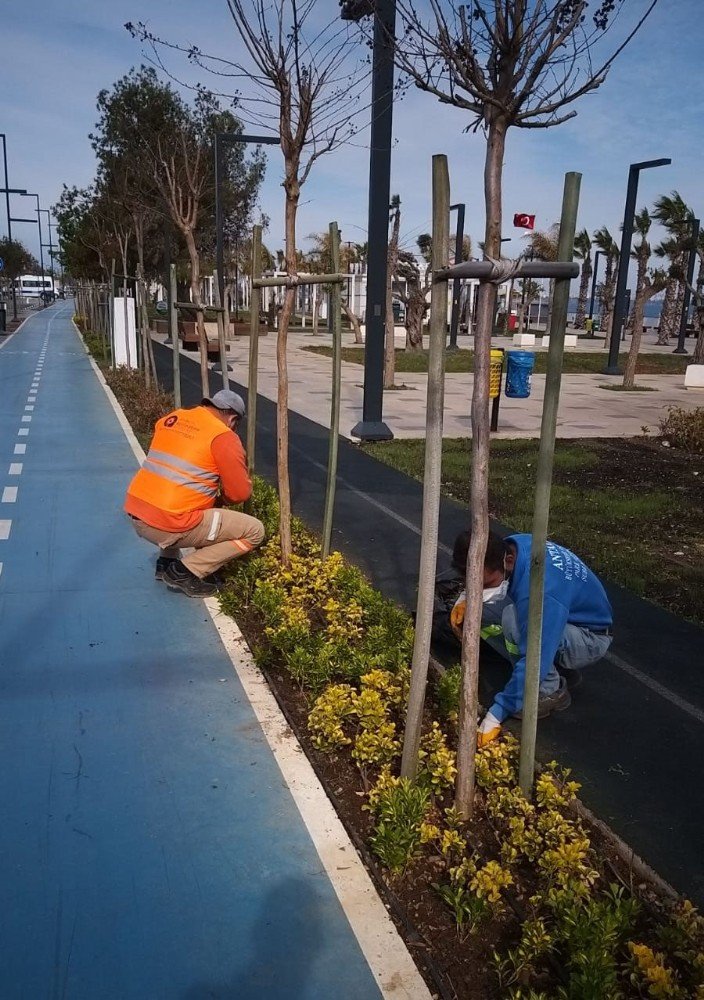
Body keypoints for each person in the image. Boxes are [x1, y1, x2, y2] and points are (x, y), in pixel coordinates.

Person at [446, 529, 613, 747]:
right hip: (566, 619)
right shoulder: (515, 546)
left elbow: (535, 657)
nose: (481, 590)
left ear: (508, 560)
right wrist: (466, 596)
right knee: (488, 613)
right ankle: (554, 665)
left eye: (486, 583)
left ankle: (550, 690)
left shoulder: (541, 592)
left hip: (590, 638)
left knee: (512, 622)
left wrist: (497, 713)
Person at [124, 389, 265, 598]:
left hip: (137, 512)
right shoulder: (223, 436)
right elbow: (239, 493)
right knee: (254, 531)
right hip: (168, 524)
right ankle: (184, 571)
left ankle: (166, 561)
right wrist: (220, 500)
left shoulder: (174, 418)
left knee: (180, 497)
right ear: (233, 419)